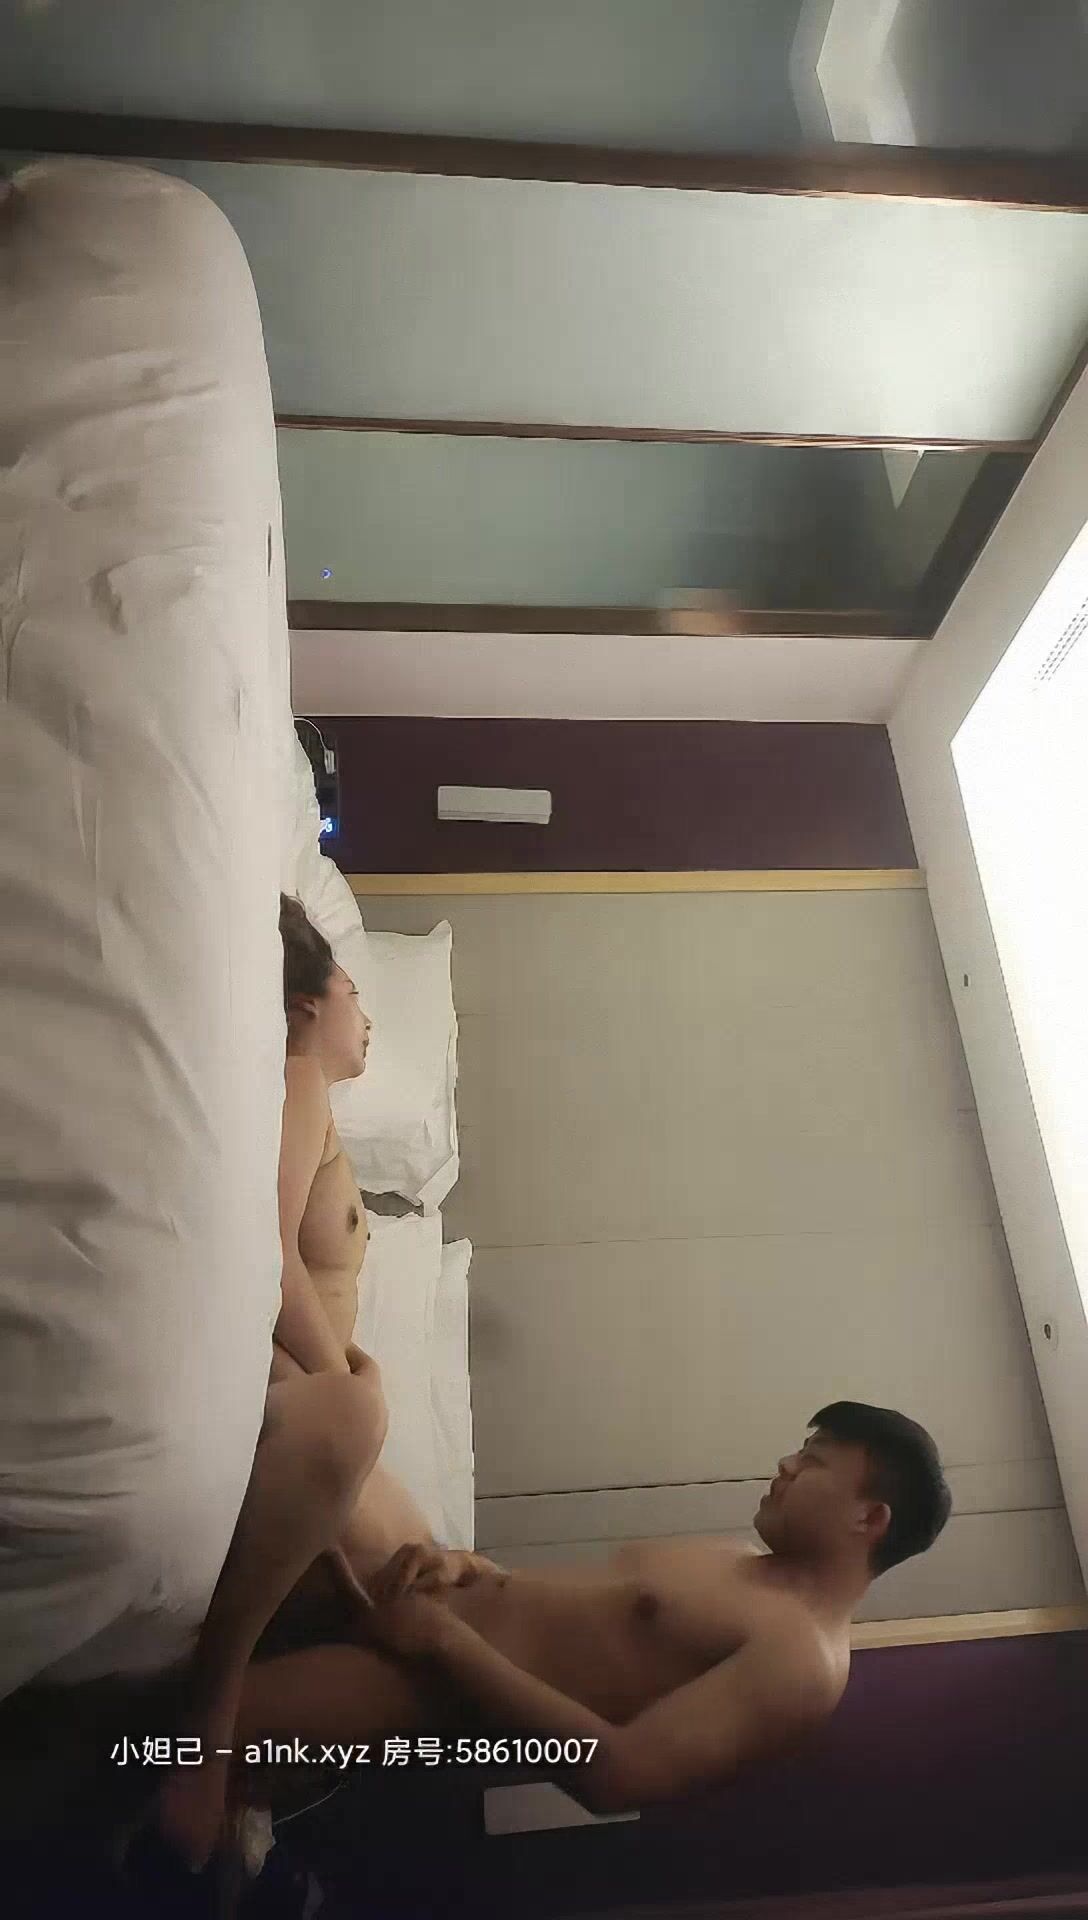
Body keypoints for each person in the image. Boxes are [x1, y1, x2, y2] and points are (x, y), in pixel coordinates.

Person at [235, 1401, 951, 1818]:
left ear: (869, 1518)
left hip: (420, 1684)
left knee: (188, 1723)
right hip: (430, 1599)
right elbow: (569, 1619)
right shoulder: (741, 1559)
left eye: (814, 1462)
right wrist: (470, 1567)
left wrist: (445, 1646)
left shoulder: (802, 1663)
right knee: (313, 1411)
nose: (786, 1465)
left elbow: (618, 1776)